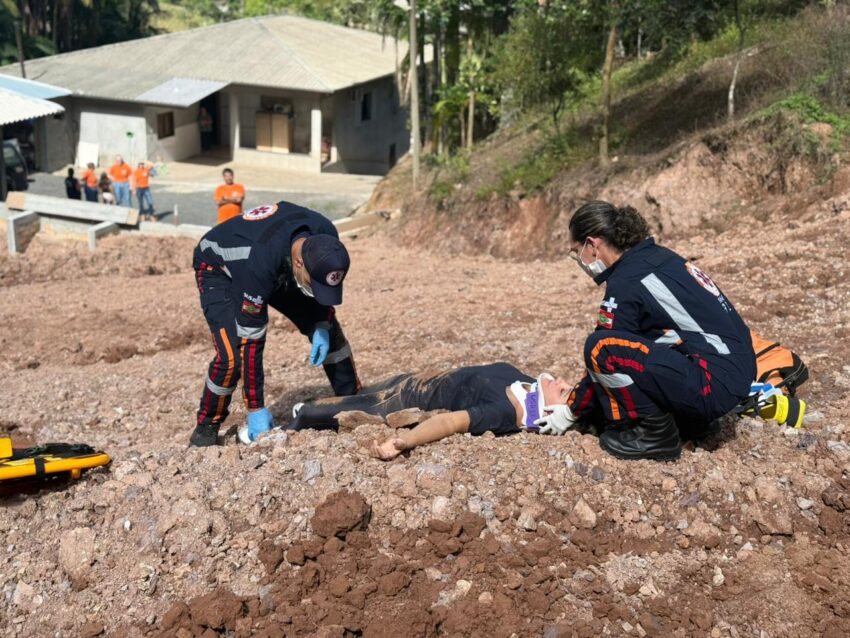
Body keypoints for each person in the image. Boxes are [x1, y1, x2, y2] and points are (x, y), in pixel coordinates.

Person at [544, 201, 756, 462]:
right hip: (737, 373)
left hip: (712, 387)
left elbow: (607, 350)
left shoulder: (626, 281)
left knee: (600, 347)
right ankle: (690, 420)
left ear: (592, 244)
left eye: (577, 252)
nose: (580, 261)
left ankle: (653, 434)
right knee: (647, 342)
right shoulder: (659, 257)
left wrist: (570, 410)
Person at [189, 200, 361, 447]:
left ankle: (353, 401)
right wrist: (255, 407)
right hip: (220, 267)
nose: (316, 291)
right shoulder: (258, 264)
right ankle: (205, 429)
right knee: (231, 358)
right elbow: (251, 342)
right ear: (300, 263)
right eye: (314, 285)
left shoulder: (326, 237)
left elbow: (319, 293)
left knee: (329, 330)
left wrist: (321, 322)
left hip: (277, 262)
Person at [287, 363, 574, 460]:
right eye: (565, 384)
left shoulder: (503, 413)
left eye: (561, 390)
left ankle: (299, 420)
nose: (561, 381)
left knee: (317, 414)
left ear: (546, 413)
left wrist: (406, 441)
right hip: (419, 379)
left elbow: (450, 422)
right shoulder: (525, 382)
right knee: (360, 393)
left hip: (404, 402)